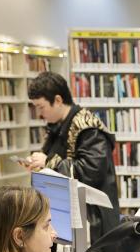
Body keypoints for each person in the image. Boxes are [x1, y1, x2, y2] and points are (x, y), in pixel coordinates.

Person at [25, 71, 122, 238]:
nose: (39, 114)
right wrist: (37, 163)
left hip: (94, 225)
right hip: (70, 218)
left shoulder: (88, 127)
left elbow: (91, 172)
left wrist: (48, 162)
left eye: (41, 107)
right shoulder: (57, 126)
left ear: (58, 100)